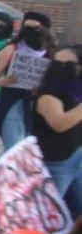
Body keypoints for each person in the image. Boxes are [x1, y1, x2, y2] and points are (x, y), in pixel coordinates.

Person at [0, 12, 56, 149]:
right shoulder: (11, 49)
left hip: (35, 106)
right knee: (13, 147)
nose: (30, 32)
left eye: (35, 28)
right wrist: (3, 82)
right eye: (26, 27)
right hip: (11, 102)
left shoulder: (51, 53)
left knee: (29, 148)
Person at [34, 45, 82, 217]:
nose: (62, 68)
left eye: (69, 64)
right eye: (57, 63)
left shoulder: (77, 89)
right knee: (47, 215)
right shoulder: (49, 91)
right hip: (55, 162)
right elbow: (59, 123)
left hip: (76, 157)